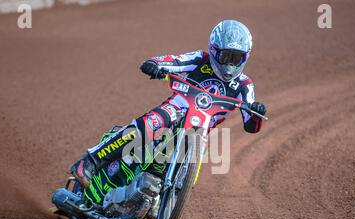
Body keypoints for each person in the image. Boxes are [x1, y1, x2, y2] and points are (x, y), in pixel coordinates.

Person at [70, 19, 268, 188]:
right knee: (154, 120)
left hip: (198, 134)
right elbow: (173, 60)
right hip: (176, 110)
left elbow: (251, 123)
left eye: (236, 58)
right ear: (215, 51)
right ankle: (90, 162)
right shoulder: (200, 59)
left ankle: (162, 196)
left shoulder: (244, 85)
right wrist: (155, 65)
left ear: (246, 57)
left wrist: (257, 112)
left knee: (192, 170)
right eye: (226, 57)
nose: (229, 65)